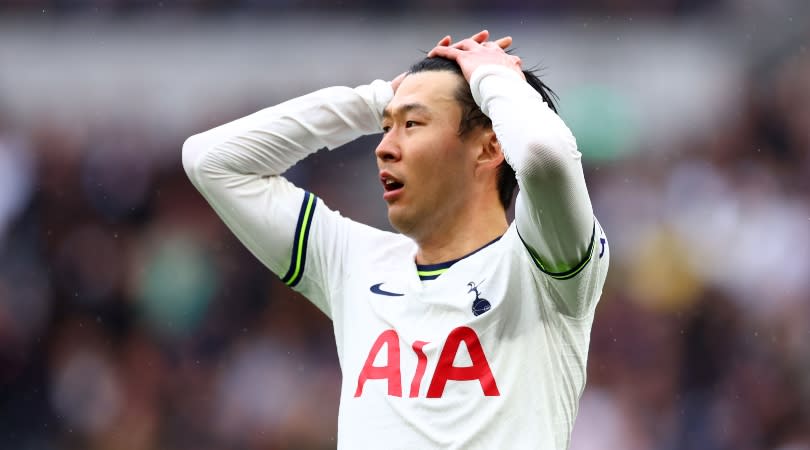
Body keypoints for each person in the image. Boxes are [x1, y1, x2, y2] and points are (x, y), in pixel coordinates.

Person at [182, 30, 609, 450]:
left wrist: (494, 78)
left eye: (411, 124)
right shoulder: (353, 263)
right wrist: (373, 101)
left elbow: (543, 156)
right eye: (386, 126)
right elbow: (211, 162)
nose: (383, 147)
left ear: (489, 147)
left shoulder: (544, 266)